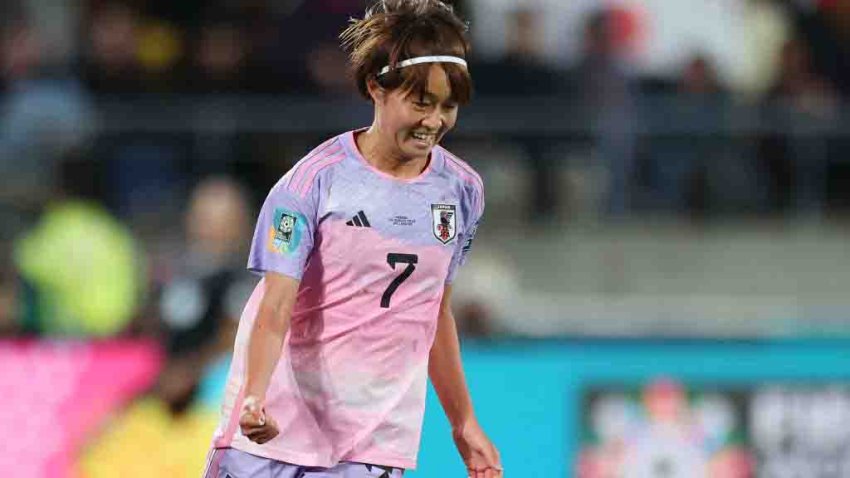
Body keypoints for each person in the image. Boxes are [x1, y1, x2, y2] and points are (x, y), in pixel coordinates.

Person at [203, 1, 503, 477]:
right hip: (273, 432)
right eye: (421, 102)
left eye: (449, 106)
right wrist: (255, 396)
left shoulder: (463, 192)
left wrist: (463, 422)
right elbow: (276, 305)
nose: (434, 121)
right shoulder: (313, 183)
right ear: (375, 87)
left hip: (373, 444)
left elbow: (433, 313)